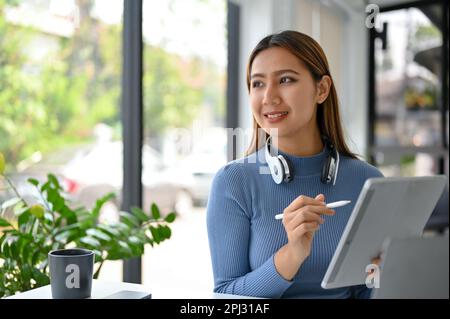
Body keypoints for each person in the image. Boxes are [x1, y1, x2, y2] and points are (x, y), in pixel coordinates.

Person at [206, 30, 383, 298]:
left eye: (286, 80)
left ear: (321, 89)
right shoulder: (233, 182)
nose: (269, 97)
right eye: (258, 84)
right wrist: (292, 254)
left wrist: (381, 279)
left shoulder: (368, 181)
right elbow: (225, 297)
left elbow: (363, 291)